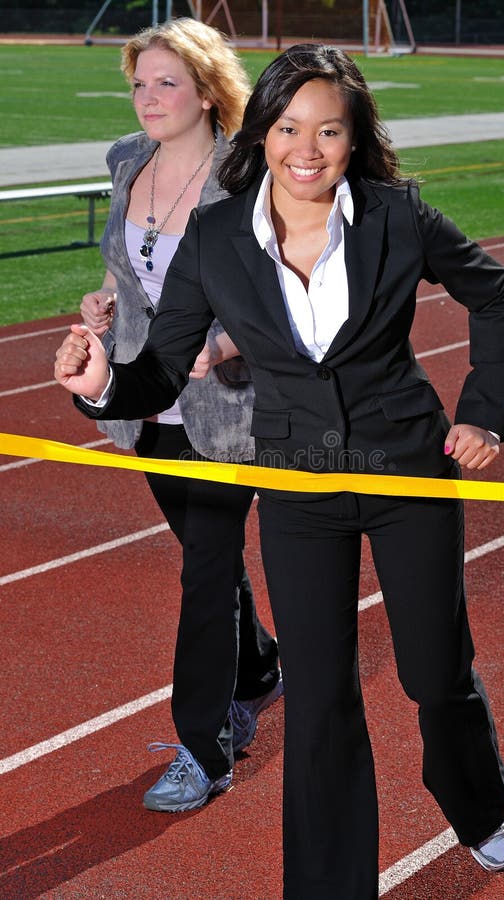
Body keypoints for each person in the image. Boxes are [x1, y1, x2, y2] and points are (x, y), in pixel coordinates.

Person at [55, 44, 504, 899]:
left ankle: (476, 797)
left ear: (355, 138)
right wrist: (102, 387)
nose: (306, 149)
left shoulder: (397, 216)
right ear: (263, 131)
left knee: (433, 673)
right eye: (288, 127)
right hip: (297, 484)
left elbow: (495, 294)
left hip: (404, 471)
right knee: (318, 699)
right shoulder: (218, 235)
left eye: (330, 130)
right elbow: (161, 367)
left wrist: (483, 410)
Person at [76, 17, 282, 815]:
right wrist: (105, 299)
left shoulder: (251, 175)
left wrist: (229, 341)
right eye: (138, 82)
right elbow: (131, 262)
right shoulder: (128, 160)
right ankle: (260, 666)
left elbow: (289, 286)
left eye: (165, 82)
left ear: (205, 91)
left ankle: (205, 746)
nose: (147, 98)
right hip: (145, 400)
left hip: (231, 407)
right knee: (210, 558)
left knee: (203, 572)